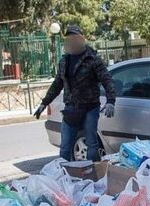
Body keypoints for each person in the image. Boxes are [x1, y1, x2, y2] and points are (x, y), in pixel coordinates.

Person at [34, 25, 116, 161]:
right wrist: (44, 103)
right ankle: (63, 176)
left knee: (92, 144)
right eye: (69, 38)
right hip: (71, 109)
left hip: (90, 108)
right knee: (65, 146)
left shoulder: (93, 60)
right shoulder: (64, 62)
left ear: (81, 39)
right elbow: (57, 85)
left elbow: (107, 80)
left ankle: (93, 176)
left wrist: (111, 101)